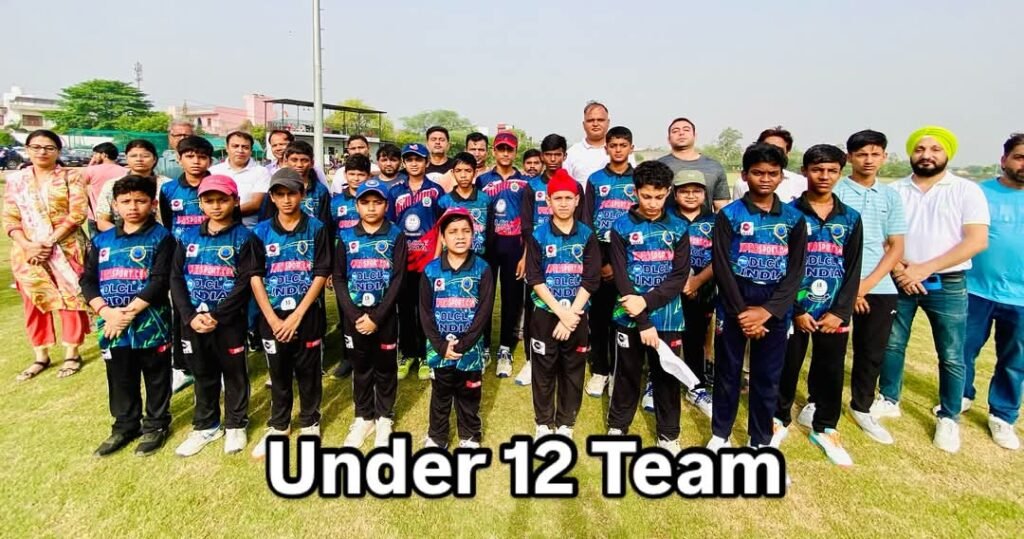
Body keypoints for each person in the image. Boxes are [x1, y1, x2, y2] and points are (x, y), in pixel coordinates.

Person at [874, 126, 989, 453]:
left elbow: (976, 241)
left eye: (935, 149)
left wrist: (924, 268)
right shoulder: (895, 190)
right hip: (899, 278)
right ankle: (889, 398)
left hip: (946, 283)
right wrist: (901, 270)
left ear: (947, 154)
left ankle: (949, 415)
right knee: (892, 343)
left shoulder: (966, 190)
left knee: (951, 353)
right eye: (920, 149)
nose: (926, 155)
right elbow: (883, 236)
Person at [709, 143, 807, 451]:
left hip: (774, 307)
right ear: (745, 175)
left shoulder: (793, 218)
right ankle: (720, 434)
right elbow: (721, 266)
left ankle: (760, 439)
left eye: (772, 174)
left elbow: (796, 271)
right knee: (728, 373)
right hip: (734, 302)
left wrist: (767, 311)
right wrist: (742, 312)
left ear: (781, 177)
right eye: (757, 173)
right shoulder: (729, 215)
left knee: (767, 376)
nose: (765, 179)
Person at [772, 145, 863, 467]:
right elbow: (780, 266)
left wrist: (840, 311)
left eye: (831, 170)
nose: (824, 176)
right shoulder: (788, 214)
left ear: (840, 172)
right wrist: (796, 310)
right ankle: (778, 418)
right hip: (793, 309)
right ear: (805, 171)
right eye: (817, 169)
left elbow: (852, 268)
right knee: (786, 365)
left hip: (832, 311)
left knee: (831, 369)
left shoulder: (850, 218)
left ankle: (825, 427)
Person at [81, 176, 175, 456]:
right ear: (115, 205)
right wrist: (107, 312)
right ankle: (125, 425)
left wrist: (129, 312)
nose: (133, 207)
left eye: (140, 201)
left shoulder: (162, 238)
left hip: (150, 322)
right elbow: (88, 281)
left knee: (156, 375)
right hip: (111, 324)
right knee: (120, 375)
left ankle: (156, 424)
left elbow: (160, 280)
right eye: (126, 201)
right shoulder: (102, 240)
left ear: (153, 204)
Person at [169, 175, 260, 457]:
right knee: (202, 373)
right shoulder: (188, 236)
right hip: (194, 321)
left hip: (228, 321)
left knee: (234, 374)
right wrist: (189, 315)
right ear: (200, 204)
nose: (216, 206)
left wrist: (218, 314)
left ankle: (235, 423)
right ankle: (206, 426)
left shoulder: (245, 237)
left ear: (235, 201)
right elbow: (176, 277)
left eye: (222, 200)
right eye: (209, 200)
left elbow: (245, 281)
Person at [605, 161, 690, 453]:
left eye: (659, 196)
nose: (653, 203)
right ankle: (618, 426)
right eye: (646, 196)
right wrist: (642, 319)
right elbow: (620, 275)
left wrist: (647, 302)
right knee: (627, 373)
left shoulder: (679, 227)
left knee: (666, 375)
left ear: (669, 192)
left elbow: (679, 275)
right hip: (628, 315)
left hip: (668, 316)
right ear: (635, 192)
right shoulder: (621, 227)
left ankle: (669, 435)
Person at [249, 170, 332, 459]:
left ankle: (310, 421)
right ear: (272, 197)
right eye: (280, 194)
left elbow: (321, 272)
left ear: (302, 194)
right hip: (272, 316)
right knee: (278, 373)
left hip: (306, 314)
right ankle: (279, 425)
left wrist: (297, 315)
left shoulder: (317, 228)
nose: (286, 200)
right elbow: (255, 276)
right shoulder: (260, 231)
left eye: (292, 193)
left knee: (309, 372)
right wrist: (273, 319)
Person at [832, 130, 906, 445]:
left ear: (884, 157)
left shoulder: (890, 196)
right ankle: (819, 402)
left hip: (880, 284)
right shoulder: (836, 190)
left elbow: (896, 245)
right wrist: (852, 289)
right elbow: (829, 244)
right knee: (831, 350)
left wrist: (866, 286)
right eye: (862, 154)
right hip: (837, 283)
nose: (868, 160)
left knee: (871, 351)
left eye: (875, 154)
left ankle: (862, 407)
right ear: (850, 157)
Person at [5, 130, 91, 381]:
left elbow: (77, 213)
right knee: (34, 301)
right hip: (28, 251)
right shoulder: (16, 180)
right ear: (27, 149)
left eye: (49, 147)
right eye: (36, 147)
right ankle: (40, 354)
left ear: (58, 151)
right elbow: (10, 217)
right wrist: (28, 245)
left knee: (71, 299)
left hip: (65, 247)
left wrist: (49, 242)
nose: (42, 152)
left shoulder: (71, 176)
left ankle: (72, 352)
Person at [525, 172, 600, 440]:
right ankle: (544, 423)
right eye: (558, 198)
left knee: (573, 369)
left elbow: (591, 279)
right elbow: (535, 278)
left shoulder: (587, 235)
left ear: (577, 200)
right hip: (546, 314)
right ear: (548, 201)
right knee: (543, 370)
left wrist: (571, 316)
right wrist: (561, 313)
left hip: (578, 314)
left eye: (569, 198)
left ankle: (566, 422)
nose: (564, 203)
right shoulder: (538, 235)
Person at [962, 133, 1024, 451]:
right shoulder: (979, 193)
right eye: (1019, 157)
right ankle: (960, 395)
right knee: (962, 350)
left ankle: (1002, 415)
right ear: (1004, 160)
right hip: (975, 288)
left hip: (1021, 298)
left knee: (1015, 360)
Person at [335, 179, 408, 449]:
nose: (371, 207)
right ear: (357, 205)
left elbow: (398, 278)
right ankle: (364, 416)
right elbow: (339, 277)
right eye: (365, 202)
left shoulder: (395, 234)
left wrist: (377, 317)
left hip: (384, 316)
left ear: (386, 205)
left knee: (386, 367)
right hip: (354, 317)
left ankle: (384, 417)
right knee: (361, 367)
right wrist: (355, 316)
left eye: (377, 202)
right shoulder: (346, 236)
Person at [420, 209, 496, 448]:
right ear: (443, 237)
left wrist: (464, 344)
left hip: (470, 348)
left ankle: (470, 435)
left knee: (469, 393)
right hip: (439, 348)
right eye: (453, 232)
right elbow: (425, 312)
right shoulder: (431, 270)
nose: (460, 236)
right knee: (440, 394)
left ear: (473, 235)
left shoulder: (482, 268)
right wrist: (440, 345)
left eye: (465, 231)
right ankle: (437, 436)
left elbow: (484, 312)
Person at [519, 134, 585, 382]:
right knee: (535, 305)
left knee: (570, 299)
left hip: (568, 255)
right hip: (539, 254)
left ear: (565, 155)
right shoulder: (532, 186)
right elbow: (527, 225)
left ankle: (568, 354)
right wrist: (527, 254)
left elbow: (582, 223)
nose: (553, 159)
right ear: (542, 156)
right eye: (549, 155)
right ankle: (531, 359)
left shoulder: (575, 187)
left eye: (558, 154)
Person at [582, 126, 637, 397]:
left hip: (632, 256)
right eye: (613, 145)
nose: (617, 149)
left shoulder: (638, 179)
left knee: (625, 317)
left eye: (622, 145)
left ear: (631, 148)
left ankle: (620, 372)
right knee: (600, 316)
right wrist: (601, 262)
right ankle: (600, 370)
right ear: (606, 149)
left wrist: (619, 264)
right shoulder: (595, 179)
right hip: (601, 256)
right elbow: (587, 221)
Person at [389, 143, 444, 380]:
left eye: (418, 159)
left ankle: (424, 354)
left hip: (426, 261)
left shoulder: (436, 191)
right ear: (404, 162)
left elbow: (442, 226)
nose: (414, 163)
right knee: (404, 308)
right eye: (409, 159)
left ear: (426, 162)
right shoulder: (394, 192)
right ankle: (407, 353)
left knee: (425, 309)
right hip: (403, 260)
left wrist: (437, 256)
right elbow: (390, 226)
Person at [477, 134, 530, 375]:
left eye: (510, 149)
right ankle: (484, 346)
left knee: (511, 298)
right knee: (485, 297)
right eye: (501, 149)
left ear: (515, 151)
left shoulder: (525, 182)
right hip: (488, 246)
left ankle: (505, 349)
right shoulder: (482, 180)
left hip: (514, 247)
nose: (505, 153)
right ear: (494, 151)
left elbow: (529, 220)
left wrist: (526, 255)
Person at [671, 169, 716, 417]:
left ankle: (696, 385)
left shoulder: (715, 221)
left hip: (702, 289)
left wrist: (696, 282)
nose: (690, 195)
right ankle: (657, 381)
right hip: (669, 289)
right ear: (674, 194)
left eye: (696, 191)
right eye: (684, 191)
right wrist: (681, 282)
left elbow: (722, 256)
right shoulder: (666, 217)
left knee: (695, 337)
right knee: (666, 337)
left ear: (704, 194)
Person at [326, 153, 373, 379]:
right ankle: (347, 357)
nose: (356, 178)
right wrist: (329, 268)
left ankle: (372, 353)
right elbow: (329, 234)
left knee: (372, 308)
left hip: (371, 263)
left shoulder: (374, 200)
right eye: (351, 174)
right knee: (346, 309)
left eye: (360, 174)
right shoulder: (335, 202)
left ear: (368, 176)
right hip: (343, 264)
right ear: (345, 175)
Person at [95, 139, 172, 232]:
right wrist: (126, 236)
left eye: (145, 156)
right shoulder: (112, 184)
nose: (139, 159)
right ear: (126, 158)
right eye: (133, 156)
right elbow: (102, 221)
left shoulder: (168, 185)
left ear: (154, 159)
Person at [657, 117, 731, 211]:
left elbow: (721, 207)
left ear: (695, 136)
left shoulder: (714, 167)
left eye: (686, 130)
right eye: (675, 131)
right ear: (668, 139)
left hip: (704, 220)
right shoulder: (658, 166)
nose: (681, 133)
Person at [259, 141, 332, 226]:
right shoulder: (276, 188)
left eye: (304, 160)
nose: (299, 165)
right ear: (286, 162)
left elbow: (326, 224)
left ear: (312, 163)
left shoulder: (320, 191)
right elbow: (266, 222)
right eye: (294, 160)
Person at [209, 131, 271, 229]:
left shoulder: (261, 172)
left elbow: (255, 204)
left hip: (249, 229)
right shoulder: (213, 171)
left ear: (251, 150)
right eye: (235, 146)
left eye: (245, 147)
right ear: (227, 148)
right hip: (217, 228)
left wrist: (222, 213)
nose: (240, 150)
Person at [563, 101, 636, 184]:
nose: (595, 124)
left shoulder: (622, 151)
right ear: (584, 124)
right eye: (590, 120)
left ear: (608, 123)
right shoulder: (572, 154)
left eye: (600, 120)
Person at [732, 127, 807, 203]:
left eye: (778, 150)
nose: (765, 180)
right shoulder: (741, 184)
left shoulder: (801, 183)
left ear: (787, 154)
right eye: (767, 148)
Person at [438, 152, 491, 257]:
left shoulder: (485, 199)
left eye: (468, 171)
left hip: (480, 258)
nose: (463, 175)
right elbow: (439, 233)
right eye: (458, 171)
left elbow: (490, 233)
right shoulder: (444, 202)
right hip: (451, 258)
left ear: (475, 172)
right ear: (452, 173)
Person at [81, 141, 127, 233]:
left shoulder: (92, 170)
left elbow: (80, 184)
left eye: (95, 154)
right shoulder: (125, 171)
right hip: (119, 214)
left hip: (96, 216)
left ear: (104, 155)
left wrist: (91, 163)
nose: (94, 156)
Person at [265, 129, 329, 188]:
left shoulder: (312, 167)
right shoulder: (267, 170)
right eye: (274, 145)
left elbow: (325, 191)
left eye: (282, 144)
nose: (278, 148)